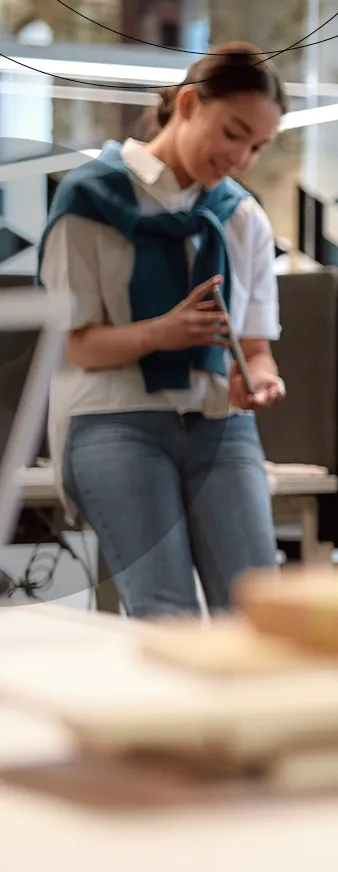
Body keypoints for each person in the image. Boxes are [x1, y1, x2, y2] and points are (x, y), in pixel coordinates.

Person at [37, 41, 290, 619]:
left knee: (257, 612)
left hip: (219, 424)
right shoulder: (90, 198)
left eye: (258, 146)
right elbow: (74, 345)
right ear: (187, 104)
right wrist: (161, 333)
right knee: (166, 613)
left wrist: (261, 380)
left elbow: (254, 348)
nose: (242, 158)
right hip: (114, 419)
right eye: (233, 133)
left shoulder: (242, 216)